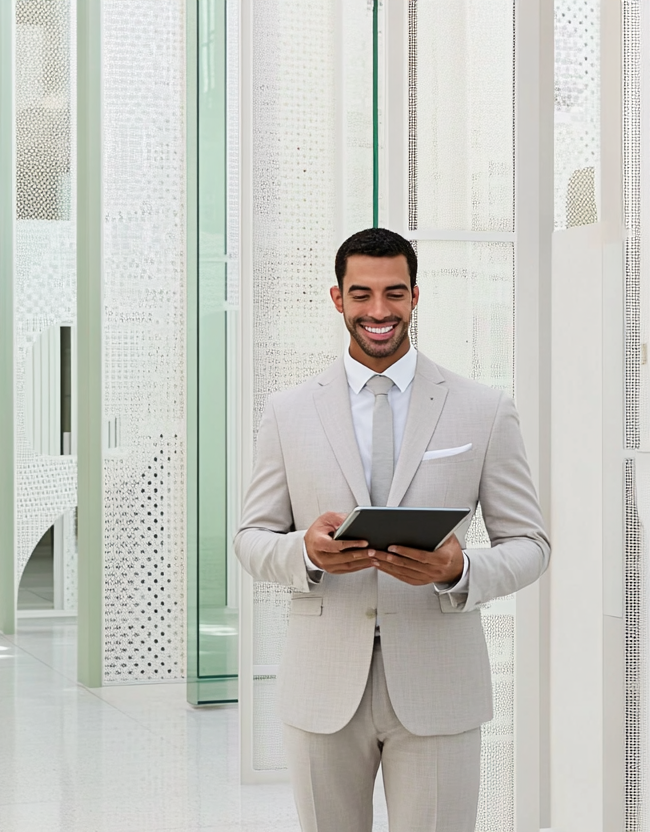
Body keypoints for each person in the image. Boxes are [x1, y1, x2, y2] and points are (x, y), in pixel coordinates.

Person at [234, 228, 549, 832]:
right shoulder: (289, 412)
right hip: (323, 686)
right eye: (362, 295)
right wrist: (306, 553)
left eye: (393, 294)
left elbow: (531, 545)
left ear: (415, 297)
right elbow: (251, 536)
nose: (379, 312)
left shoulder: (482, 409)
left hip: (439, 685)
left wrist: (459, 570)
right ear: (337, 299)